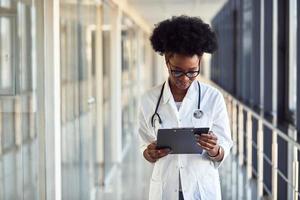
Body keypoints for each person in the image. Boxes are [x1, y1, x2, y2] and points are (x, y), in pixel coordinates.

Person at [138, 15, 233, 200]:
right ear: (167, 62)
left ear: (200, 63)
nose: (184, 78)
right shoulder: (149, 99)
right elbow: (143, 143)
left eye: (192, 71)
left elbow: (225, 144)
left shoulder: (212, 98)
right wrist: (149, 153)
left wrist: (215, 149)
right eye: (177, 71)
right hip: (165, 188)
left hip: (201, 188)